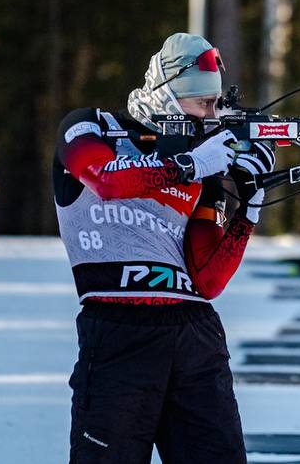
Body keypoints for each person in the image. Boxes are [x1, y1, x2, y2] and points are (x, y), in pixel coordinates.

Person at [52, 32, 275, 463]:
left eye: (215, 105)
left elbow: (208, 278)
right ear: (168, 96)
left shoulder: (202, 170)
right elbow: (106, 180)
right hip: (119, 326)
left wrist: (248, 205)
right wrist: (190, 164)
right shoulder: (91, 126)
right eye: (201, 104)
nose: (210, 117)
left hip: (194, 334)